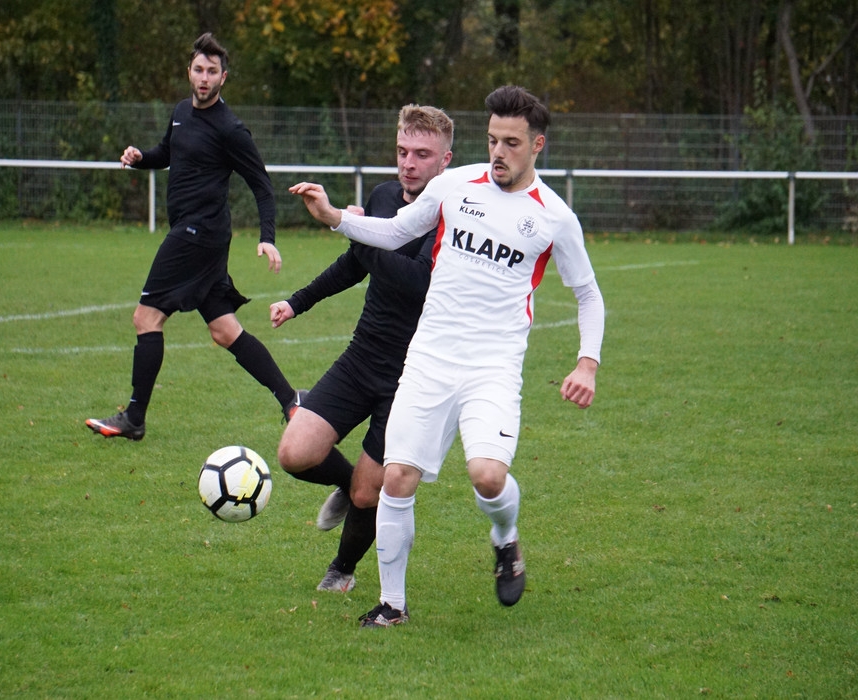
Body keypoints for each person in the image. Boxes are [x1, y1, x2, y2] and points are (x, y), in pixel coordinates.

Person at [289, 85, 605, 628]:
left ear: (537, 146)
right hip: (429, 357)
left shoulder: (554, 217)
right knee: (397, 479)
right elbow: (392, 232)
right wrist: (334, 216)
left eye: (511, 142)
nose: (499, 152)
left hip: (492, 366)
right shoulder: (455, 185)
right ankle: (393, 605)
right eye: (492, 140)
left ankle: (504, 538)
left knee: (486, 475)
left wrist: (587, 363)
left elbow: (588, 293)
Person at [270, 105, 454, 594]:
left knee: (371, 491)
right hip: (362, 356)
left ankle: (342, 570)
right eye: (402, 151)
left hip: (411, 377)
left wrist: (349, 225)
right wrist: (297, 301)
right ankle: (347, 487)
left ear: (446, 161)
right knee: (295, 452)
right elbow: (356, 264)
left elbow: (416, 282)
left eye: (422, 154)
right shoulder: (384, 196)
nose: (408, 163)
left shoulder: (454, 219)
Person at [86, 33, 302, 441]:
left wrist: (268, 236)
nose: (204, 78)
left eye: (212, 72)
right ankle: (291, 399)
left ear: (224, 77)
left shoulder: (231, 129)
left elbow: (261, 185)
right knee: (224, 330)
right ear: (189, 72)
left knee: (145, 317)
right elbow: (169, 153)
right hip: (199, 235)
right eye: (199, 70)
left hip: (197, 234)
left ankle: (134, 418)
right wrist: (140, 159)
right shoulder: (182, 111)